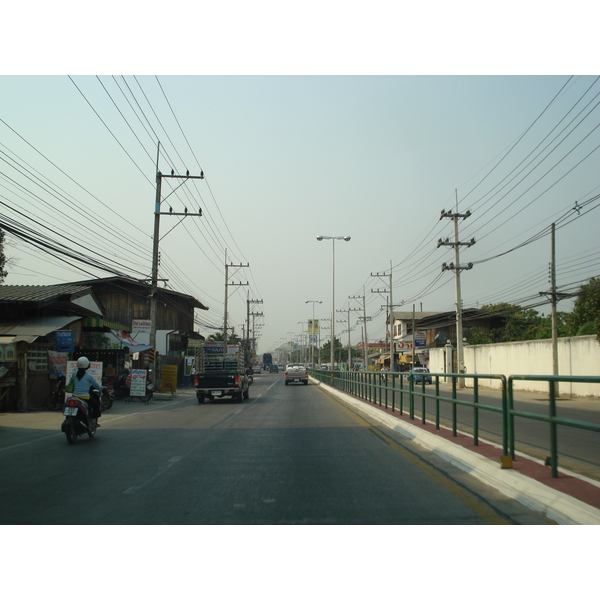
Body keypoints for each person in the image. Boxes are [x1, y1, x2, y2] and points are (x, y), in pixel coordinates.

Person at [69, 356, 102, 427]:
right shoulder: (88, 376)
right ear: (87, 366)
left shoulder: (74, 375)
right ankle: (93, 420)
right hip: (85, 398)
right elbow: (96, 386)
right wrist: (101, 388)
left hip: (74, 397)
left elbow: (71, 383)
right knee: (96, 403)